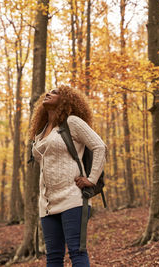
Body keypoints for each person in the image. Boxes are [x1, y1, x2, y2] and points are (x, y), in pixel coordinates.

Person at [29, 85, 107, 267]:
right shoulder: (41, 132)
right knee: (53, 257)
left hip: (73, 198)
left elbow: (99, 147)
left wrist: (92, 179)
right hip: (47, 203)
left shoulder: (72, 122)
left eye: (55, 92)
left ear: (66, 100)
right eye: (48, 91)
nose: (48, 93)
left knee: (76, 251)